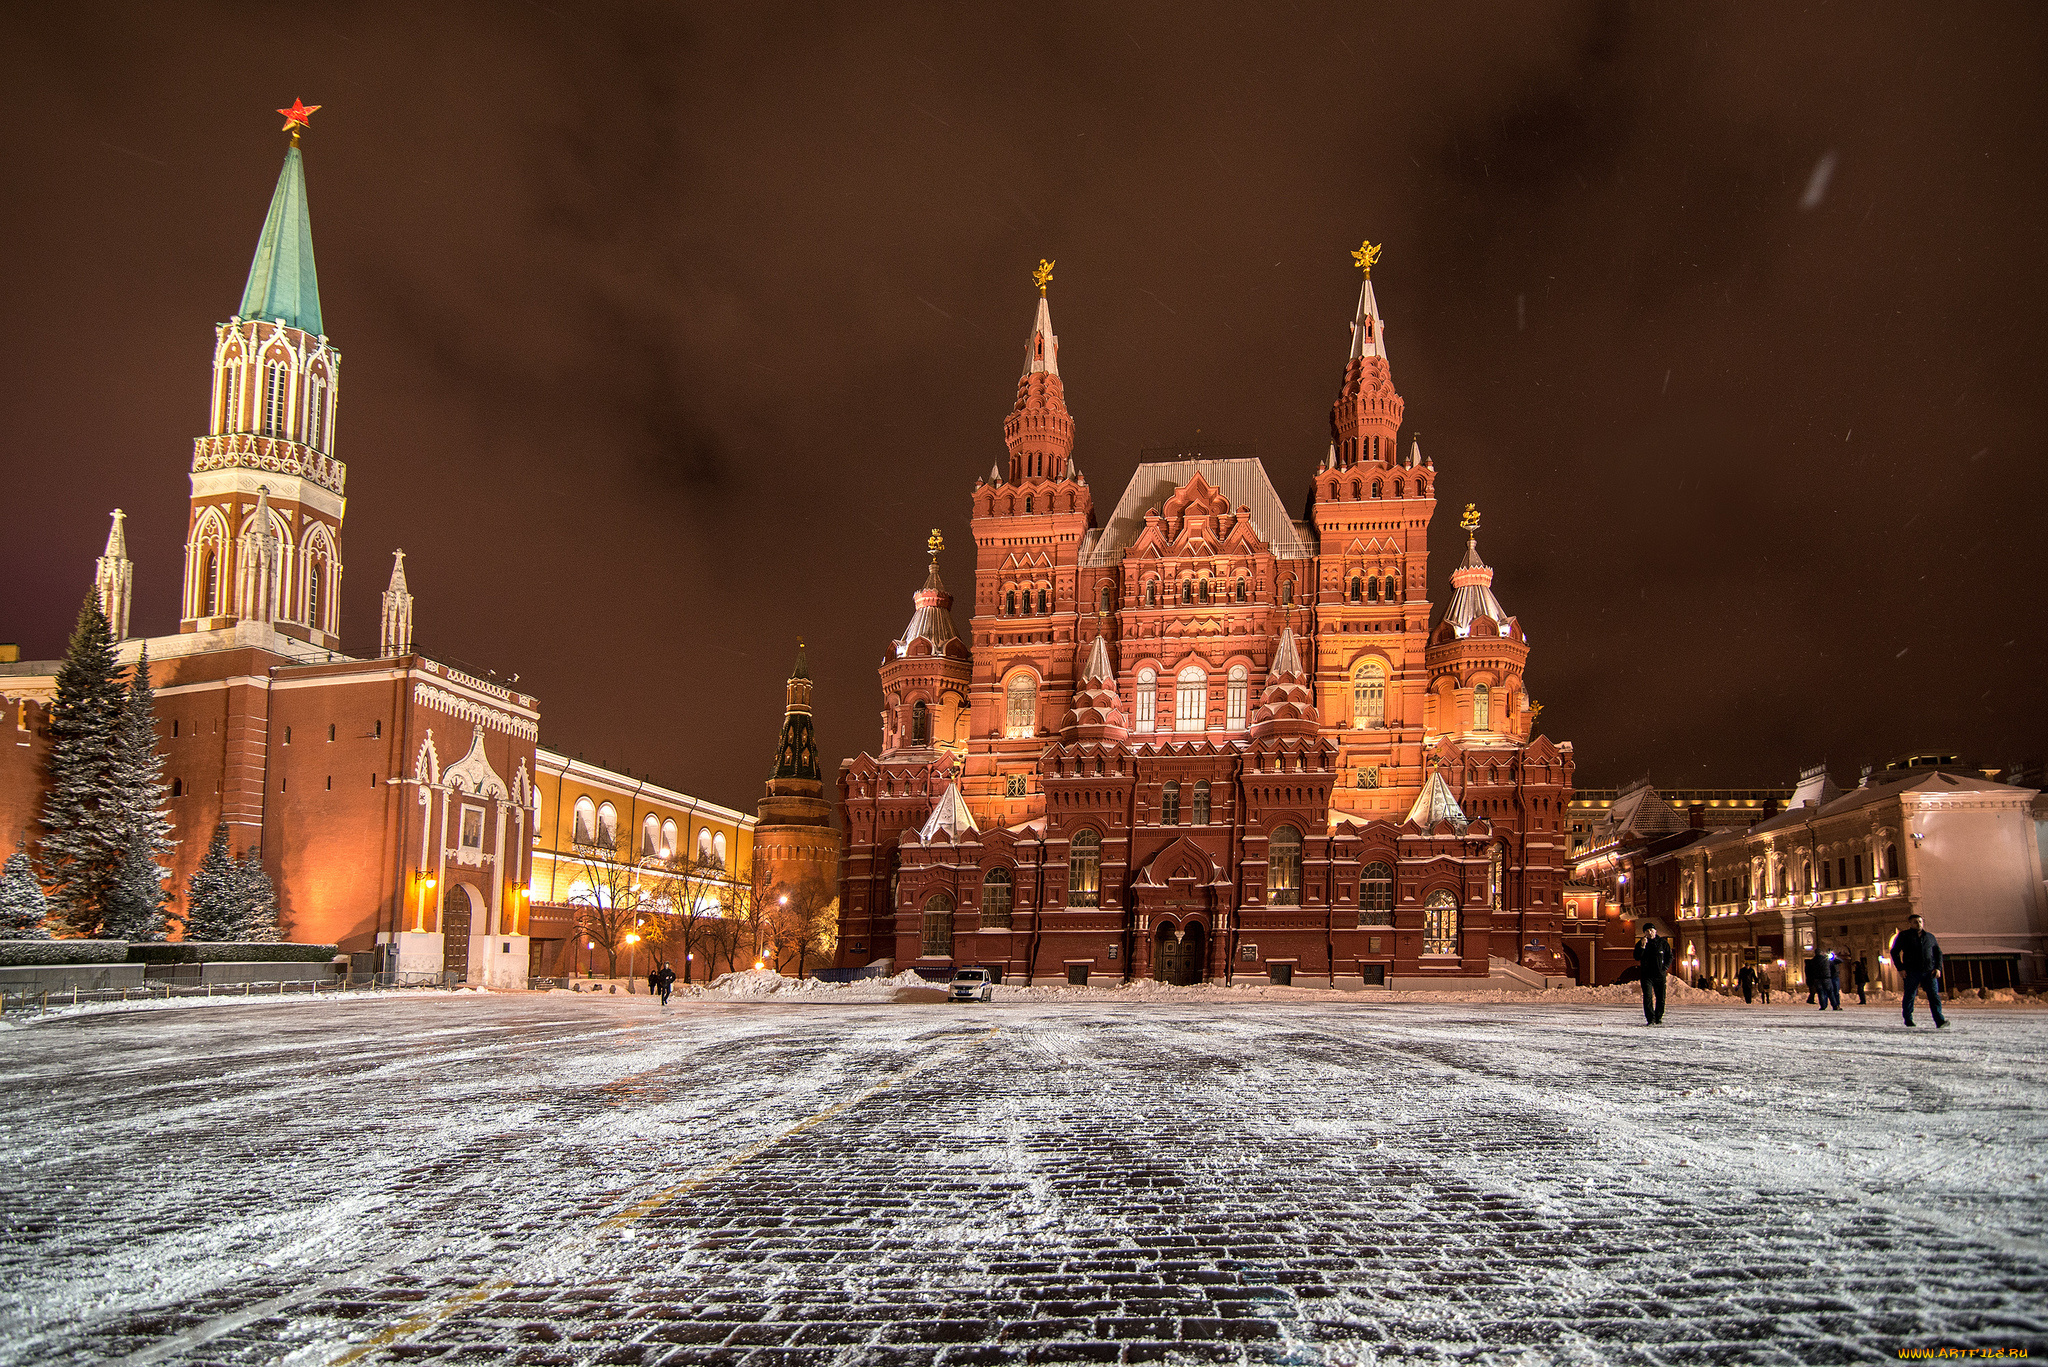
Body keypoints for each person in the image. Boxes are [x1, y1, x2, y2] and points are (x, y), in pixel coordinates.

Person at [1890, 913, 1948, 1028]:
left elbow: (1938, 953)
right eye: (1915, 922)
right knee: (1910, 996)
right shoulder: (1904, 936)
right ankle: (1908, 1019)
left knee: (1934, 997)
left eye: (1920, 922)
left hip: (1929, 971)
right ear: (1910, 924)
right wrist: (1901, 968)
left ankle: (1939, 1020)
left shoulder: (1930, 937)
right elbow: (1894, 952)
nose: (1919, 924)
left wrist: (1938, 968)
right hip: (1911, 972)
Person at [1634, 924, 1674, 1025]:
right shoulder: (1641, 943)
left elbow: (1670, 956)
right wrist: (1642, 947)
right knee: (1647, 997)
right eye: (1647, 931)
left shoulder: (1663, 943)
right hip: (1646, 975)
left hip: (1659, 975)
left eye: (1651, 930)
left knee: (1661, 997)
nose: (1650, 933)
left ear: (1655, 931)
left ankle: (1658, 1017)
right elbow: (1637, 957)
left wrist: (1664, 968)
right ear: (1644, 933)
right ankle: (1650, 1018)